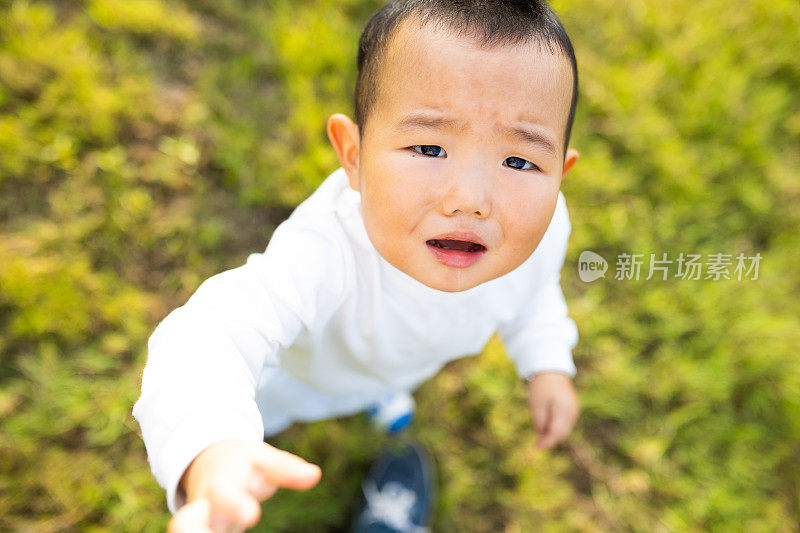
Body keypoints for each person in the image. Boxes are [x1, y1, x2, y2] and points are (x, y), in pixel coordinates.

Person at [133, 0, 582, 531]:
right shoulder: (328, 250)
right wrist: (210, 444)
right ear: (353, 156)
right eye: (429, 147)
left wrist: (547, 361)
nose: (471, 199)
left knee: (384, 370)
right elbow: (210, 334)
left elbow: (534, 293)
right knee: (262, 408)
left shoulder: (545, 227)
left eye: (520, 161)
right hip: (302, 379)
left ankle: (381, 391)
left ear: (560, 174)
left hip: (393, 361)